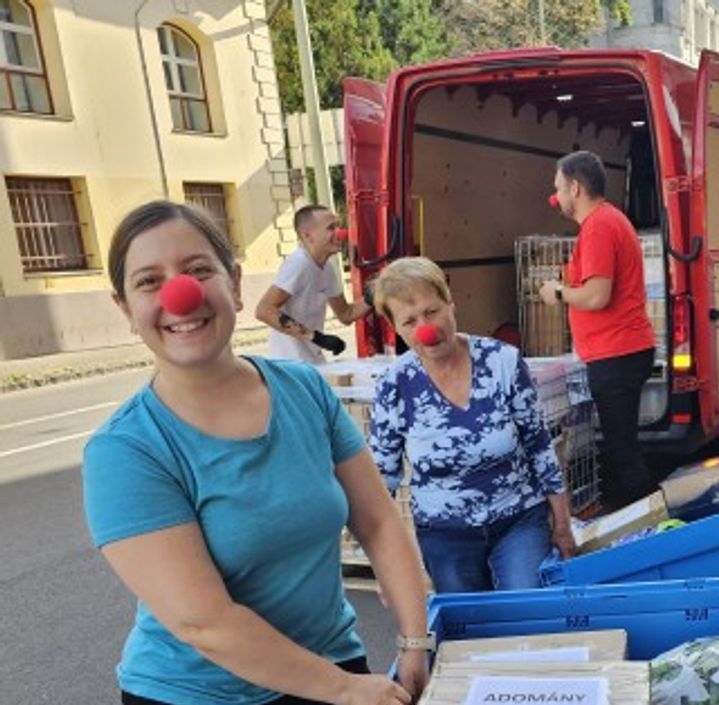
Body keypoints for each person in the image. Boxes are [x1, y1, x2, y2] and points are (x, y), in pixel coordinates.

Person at [82, 201, 431, 705]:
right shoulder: (126, 450)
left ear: (236, 284)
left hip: (330, 676)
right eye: (151, 282)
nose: (181, 295)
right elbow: (204, 622)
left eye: (199, 271)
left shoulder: (307, 392)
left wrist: (415, 642)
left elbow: (379, 522)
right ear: (126, 309)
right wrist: (344, 690)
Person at [368, 257, 576, 594]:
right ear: (396, 329)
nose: (425, 327)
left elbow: (539, 446)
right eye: (410, 320)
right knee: (470, 631)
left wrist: (562, 526)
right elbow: (381, 480)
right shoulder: (394, 384)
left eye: (432, 311)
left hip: (518, 518)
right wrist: (385, 565)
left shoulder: (502, 361)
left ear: (451, 303)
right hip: (444, 533)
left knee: (530, 614)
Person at [539, 150, 656, 509]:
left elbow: (596, 295)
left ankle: (653, 527)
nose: (555, 195)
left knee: (622, 452)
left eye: (558, 187)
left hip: (617, 353)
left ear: (575, 187)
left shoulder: (599, 227)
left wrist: (557, 292)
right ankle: (642, 520)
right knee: (622, 448)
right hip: (619, 351)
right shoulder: (607, 222)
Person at [256, 204, 370, 364]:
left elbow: (346, 314)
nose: (340, 233)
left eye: (337, 226)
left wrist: (373, 297)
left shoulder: (327, 268)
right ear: (308, 236)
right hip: (291, 364)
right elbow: (263, 310)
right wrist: (316, 337)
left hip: (313, 361)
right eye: (331, 228)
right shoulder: (298, 263)